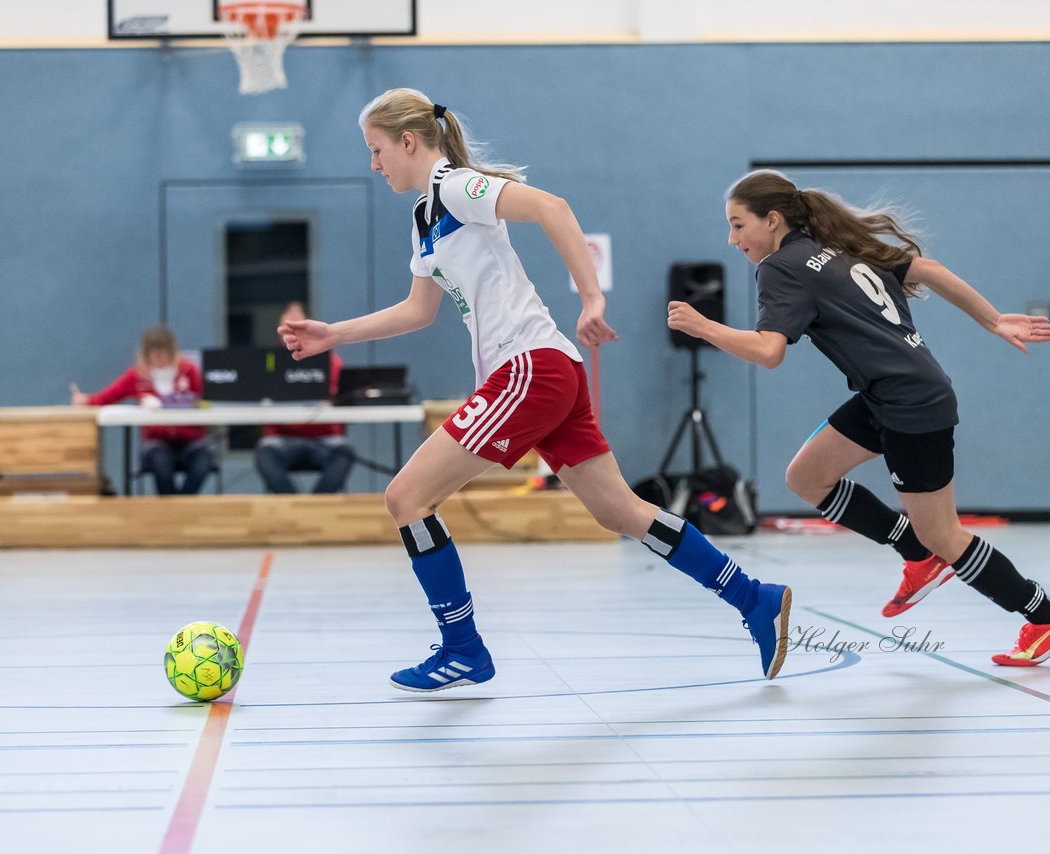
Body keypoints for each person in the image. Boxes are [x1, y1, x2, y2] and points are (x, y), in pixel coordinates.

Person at [280, 88, 792, 693]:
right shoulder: (424, 214)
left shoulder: (454, 187)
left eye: (377, 150)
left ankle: (463, 648)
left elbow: (553, 207)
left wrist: (592, 298)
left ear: (409, 142)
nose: (374, 164)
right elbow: (420, 310)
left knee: (407, 498)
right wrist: (331, 334)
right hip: (549, 372)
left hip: (528, 368)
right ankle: (754, 599)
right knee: (619, 512)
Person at [666, 170, 1050, 666]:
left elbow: (768, 351)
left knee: (944, 534)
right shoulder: (836, 245)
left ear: (772, 220)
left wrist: (704, 326)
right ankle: (917, 555)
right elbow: (929, 269)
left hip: (910, 405)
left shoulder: (782, 266)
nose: (732, 240)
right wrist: (992, 319)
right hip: (888, 394)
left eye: (738, 226)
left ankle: (1046, 619)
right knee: (807, 477)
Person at [71, 326, 214, 496]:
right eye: (156, 354)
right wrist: (86, 400)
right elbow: (107, 396)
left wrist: (194, 404)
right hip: (156, 441)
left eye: (165, 353)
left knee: (203, 462)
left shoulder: (189, 371)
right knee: (161, 464)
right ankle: (170, 508)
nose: (161, 358)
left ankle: (183, 504)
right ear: (147, 355)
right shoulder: (137, 376)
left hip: (192, 440)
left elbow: (205, 400)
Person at [254, 302, 355, 494]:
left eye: (297, 324)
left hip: (325, 438)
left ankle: (316, 506)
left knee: (344, 452)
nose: (292, 330)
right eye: (287, 325)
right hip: (281, 439)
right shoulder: (269, 361)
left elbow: (341, 396)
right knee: (264, 453)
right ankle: (294, 505)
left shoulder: (330, 361)